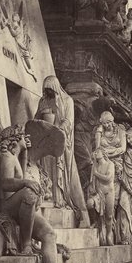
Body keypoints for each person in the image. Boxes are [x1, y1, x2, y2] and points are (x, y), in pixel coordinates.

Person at [0, 125, 75, 263]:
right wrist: (25, 182)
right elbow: (5, 183)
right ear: (16, 139)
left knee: (49, 233)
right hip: (8, 207)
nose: (27, 139)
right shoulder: (7, 157)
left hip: (18, 206)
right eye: (24, 136)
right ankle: (26, 245)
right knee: (29, 192)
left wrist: (24, 157)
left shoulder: (16, 157)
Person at [36, 75, 88, 225]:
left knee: (58, 171)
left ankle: (58, 197)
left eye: (50, 90)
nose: (48, 93)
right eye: (46, 90)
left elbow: (68, 121)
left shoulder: (67, 101)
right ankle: (46, 195)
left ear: (56, 88)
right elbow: (36, 117)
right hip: (45, 140)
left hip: (60, 140)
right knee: (44, 168)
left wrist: (56, 130)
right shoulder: (43, 101)